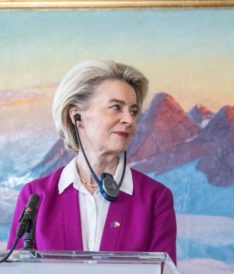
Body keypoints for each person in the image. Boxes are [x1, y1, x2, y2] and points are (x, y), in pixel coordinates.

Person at [7, 60, 177, 263]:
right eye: (116, 107)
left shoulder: (155, 198)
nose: (129, 120)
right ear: (77, 116)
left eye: (132, 111)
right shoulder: (36, 197)